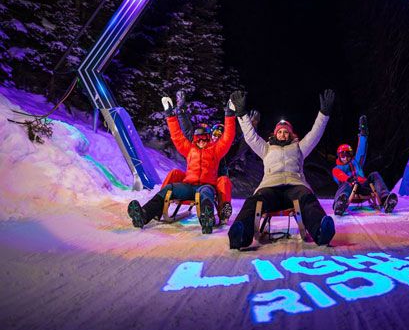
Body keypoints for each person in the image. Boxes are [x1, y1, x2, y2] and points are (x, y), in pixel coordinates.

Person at [227, 89, 337, 249]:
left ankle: (320, 229)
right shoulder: (266, 148)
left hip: (295, 186)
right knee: (253, 201)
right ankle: (240, 233)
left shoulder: (299, 148)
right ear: (275, 134)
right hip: (270, 188)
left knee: (307, 198)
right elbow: (250, 136)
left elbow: (315, 134)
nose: (283, 134)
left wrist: (324, 114)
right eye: (280, 131)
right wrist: (242, 114)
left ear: (291, 135)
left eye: (286, 132)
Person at [127, 92, 236, 234]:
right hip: (188, 186)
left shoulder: (216, 150)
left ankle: (206, 219)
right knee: (169, 189)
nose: (201, 141)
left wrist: (229, 114)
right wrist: (169, 114)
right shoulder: (190, 149)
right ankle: (144, 214)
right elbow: (177, 135)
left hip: (206, 185)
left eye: (204, 138)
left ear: (208, 138)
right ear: (195, 139)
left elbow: (228, 137)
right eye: (199, 139)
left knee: (206, 194)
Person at [160, 91, 260, 225]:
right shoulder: (199, 145)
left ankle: (222, 211)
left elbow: (241, 145)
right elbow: (186, 133)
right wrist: (181, 110)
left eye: (220, 132)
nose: (217, 135)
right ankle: (158, 204)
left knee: (223, 181)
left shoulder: (223, 151)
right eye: (215, 132)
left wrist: (251, 126)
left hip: (214, 183)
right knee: (174, 173)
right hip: (194, 181)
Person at [332, 115, 398, 215]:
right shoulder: (337, 169)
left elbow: (361, 150)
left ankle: (385, 199)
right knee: (345, 184)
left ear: (351, 155)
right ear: (339, 156)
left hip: (363, 186)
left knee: (374, 174)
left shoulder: (356, 162)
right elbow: (339, 175)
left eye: (348, 154)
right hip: (348, 189)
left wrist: (363, 133)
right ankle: (340, 203)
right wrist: (349, 179)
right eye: (342, 155)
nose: (345, 157)